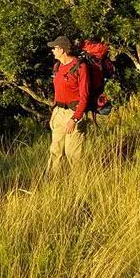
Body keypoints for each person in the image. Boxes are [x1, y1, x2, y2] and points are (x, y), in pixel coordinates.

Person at [45, 35, 90, 174]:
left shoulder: (80, 67)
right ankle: (51, 181)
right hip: (59, 112)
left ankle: (79, 183)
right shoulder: (57, 66)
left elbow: (85, 97)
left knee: (73, 153)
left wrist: (74, 119)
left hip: (73, 113)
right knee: (55, 150)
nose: (52, 50)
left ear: (62, 50)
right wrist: (55, 112)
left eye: (55, 48)